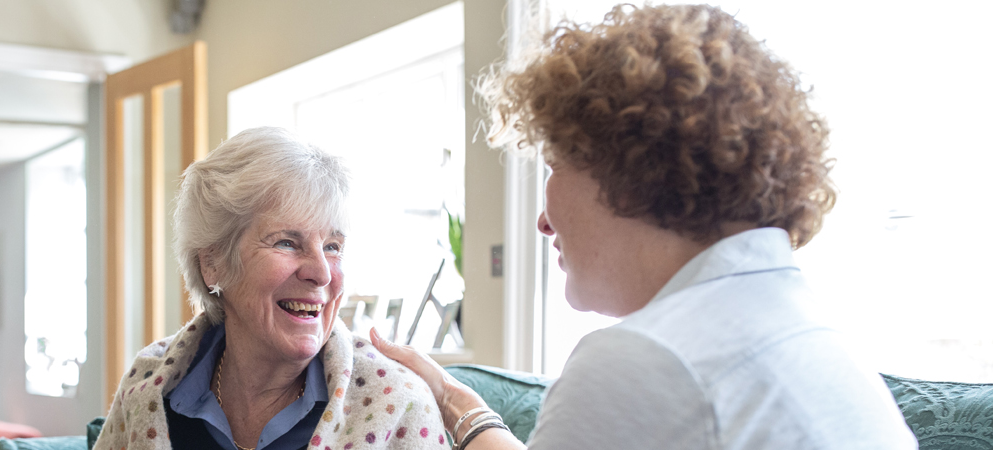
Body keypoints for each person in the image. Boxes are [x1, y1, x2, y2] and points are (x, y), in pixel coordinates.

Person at [372, 4, 917, 450]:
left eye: (555, 166)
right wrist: (453, 399)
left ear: (632, 172)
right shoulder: (802, 329)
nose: (542, 220)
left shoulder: (647, 361)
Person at [94, 127, 447, 450]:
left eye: (333, 246)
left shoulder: (397, 404)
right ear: (212, 264)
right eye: (287, 243)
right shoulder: (148, 387)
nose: (322, 273)